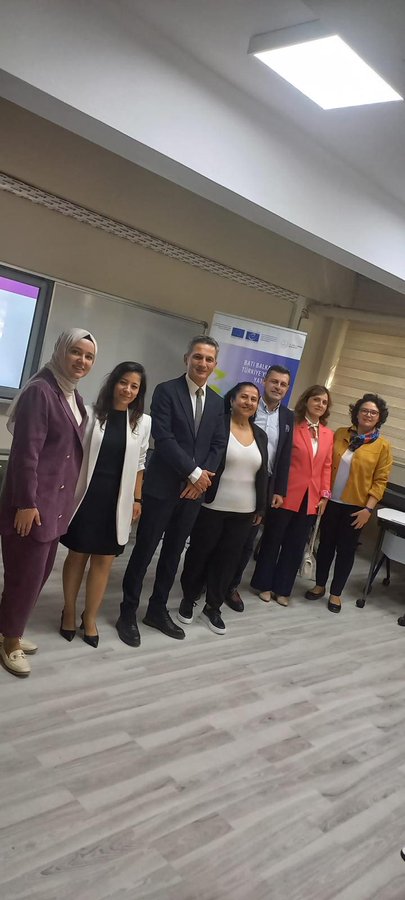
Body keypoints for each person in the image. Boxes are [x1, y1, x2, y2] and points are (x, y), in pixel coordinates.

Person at [116, 336, 226, 646]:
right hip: (162, 488)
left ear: (215, 365)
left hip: (193, 494)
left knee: (173, 553)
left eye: (208, 359)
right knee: (145, 550)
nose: (202, 363)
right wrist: (193, 474)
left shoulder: (218, 402)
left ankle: (156, 609)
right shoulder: (166, 391)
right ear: (186, 358)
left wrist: (200, 480)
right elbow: (163, 439)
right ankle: (127, 612)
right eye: (197, 357)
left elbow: (218, 444)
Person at [0, 328, 97, 677]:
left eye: (88, 356)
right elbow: (26, 453)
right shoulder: (41, 391)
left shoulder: (73, 396)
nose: (82, 361)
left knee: (37, 576)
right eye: (76, 352)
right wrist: (26, 503)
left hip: (55, 507)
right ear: (60, 351)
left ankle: (8, 629)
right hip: (32, 506)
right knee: (24, 577)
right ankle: (10, 643)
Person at [60, 362, 151, 646]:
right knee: (77, 555)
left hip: (118, 500)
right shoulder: (89, 413)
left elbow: (140, 464)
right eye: (123, 382)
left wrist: (137, 498)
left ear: (139, 391)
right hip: (87, 496)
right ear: (113, 383)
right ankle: (70, 611)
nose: (127, 389)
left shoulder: (143, 422)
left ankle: (90, 616)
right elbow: (73, 455)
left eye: (134, 386)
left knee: (104, 560)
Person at [177, 382, 268, 634]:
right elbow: (205, 460)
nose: (249, 402)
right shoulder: (218, 425)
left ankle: (212, 607)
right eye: (244, 397)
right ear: (232, 399)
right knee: (199, 553)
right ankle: (189, 598)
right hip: (213, 504)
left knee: (228, 560)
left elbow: (262, 474)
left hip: (245, 510)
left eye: (254, 398)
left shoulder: (260, 434)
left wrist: (261, 507)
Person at [306, 393, 392, 614]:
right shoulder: (341, 434)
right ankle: (319, 585)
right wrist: (322, 496)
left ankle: (336, 593)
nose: (368, 415)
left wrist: (368, 509)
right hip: (331, 502)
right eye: (364, 410)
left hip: (357, 508)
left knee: (346, 551)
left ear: (379, 417)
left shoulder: (382, 446)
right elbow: (326, 463)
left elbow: (380, 481)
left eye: (373, 412)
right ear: (357, 412)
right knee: (325, 546)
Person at [250, 384, 333, 607]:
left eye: (324, 402)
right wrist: (278, 489)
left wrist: (324, 495)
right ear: (306, 401)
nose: (320, 405)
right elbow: (280, 459)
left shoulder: (327, 434)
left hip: (311, 498)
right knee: (272, 539)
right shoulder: (292, 424)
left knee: (295, 545)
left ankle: (283, 588)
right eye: (316, 400)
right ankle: (264, 584)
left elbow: (327, 465)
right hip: (286, 492)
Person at [226, 365, 294, 611]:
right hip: (236, 476)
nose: (278, 387)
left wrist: (280, 490)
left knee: (247, 541)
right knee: (222, 534)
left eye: (283, 384)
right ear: (264, 381)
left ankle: (231, 586)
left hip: (264, 485)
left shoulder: (288, 417)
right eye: (274, 381)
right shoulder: (249, 405)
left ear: (287, 388)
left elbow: (284, 456)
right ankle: (206, 580)